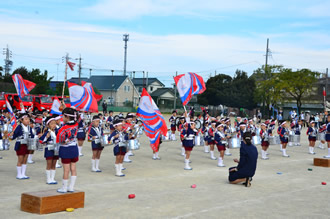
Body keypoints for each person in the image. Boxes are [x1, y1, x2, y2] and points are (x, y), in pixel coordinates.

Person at [56, 108, 79, 193]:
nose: (62, 118)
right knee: (73, 168)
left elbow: (60, 139)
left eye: (63, 116)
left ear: (66, 117)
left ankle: (64, 188)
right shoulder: (76, 124)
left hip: (66, 150)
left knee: (66, 170)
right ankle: (71, 187)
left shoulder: (63, 128)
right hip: (74, 148)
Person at [10, 113, 34, 179]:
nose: (28, 121)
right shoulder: (18, 127)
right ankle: (19, 174)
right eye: (26, 119)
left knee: (25, 159)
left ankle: (23, 173)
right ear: (21, 120)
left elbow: (32, 136)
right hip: (20, 144)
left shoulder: (29, 127)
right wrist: (10, 136)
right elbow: (14, 136)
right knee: (20, 159)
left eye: (28, 119)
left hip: (27, 144)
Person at [39, 116, 59, 184]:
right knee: (49, 164)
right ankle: (48, 179)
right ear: (48, 125)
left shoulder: (57, 131)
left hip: (56, 149)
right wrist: (46, 137)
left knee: (54, 164)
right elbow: (41, 141)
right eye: (52, 123)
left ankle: (52, 178)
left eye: (55, 123)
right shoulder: (47, 132)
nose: (54, 125)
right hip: (49, 148)